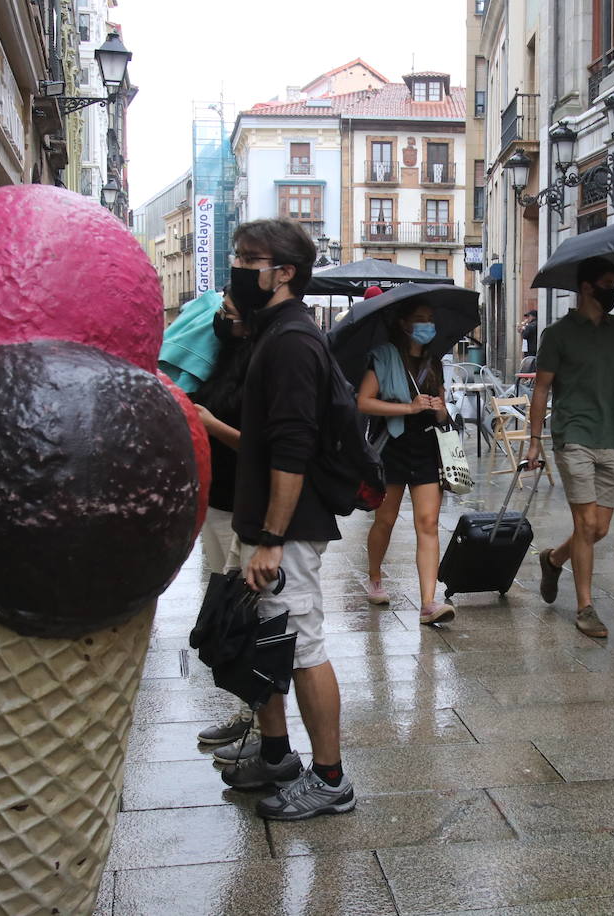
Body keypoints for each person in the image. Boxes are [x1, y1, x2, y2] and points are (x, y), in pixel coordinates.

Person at [218, 218, 354, 821]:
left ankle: (331, 780)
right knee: (264, 641)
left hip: (290, 529)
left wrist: (272, 538)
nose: (240, 267)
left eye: (251, 259)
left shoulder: (296, 340)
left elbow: (293, 446)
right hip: (266, 523)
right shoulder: (271, 333)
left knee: (302, 646)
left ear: (285, 273)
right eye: (239, 255)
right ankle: (277, 756)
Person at [525, 257, 614, 638]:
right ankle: (585, 607)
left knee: (598, 528)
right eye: (608, 284)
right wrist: (535, 440)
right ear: (587, 287)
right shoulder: (557, 334)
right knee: (585, 524)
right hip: (573, 436)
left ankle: (553, 560)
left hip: (610, 436)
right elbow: (541, 389)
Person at [188, 284, 256, 750]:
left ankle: (257, 719)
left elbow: (264, 446)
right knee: (224, 607)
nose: (222, 314)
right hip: (216, 498)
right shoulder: (220, 355)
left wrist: (210, 425)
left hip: (246, 504)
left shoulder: (263, 361)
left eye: (230, 309)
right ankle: (245, 711)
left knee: (250, 613)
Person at [357, 300, 454, 625]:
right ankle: (374, 577)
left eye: (430, 318)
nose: (427, 324)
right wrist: (408, 408)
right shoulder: (383, 357)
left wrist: (439, 409)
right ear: (403, 323)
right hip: (392, 447)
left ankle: (428, 602)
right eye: (420, 319)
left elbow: (442, 409)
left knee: (428, 524)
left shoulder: (433, 361)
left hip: (426, 447)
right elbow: (364, 402)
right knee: (385, 520)